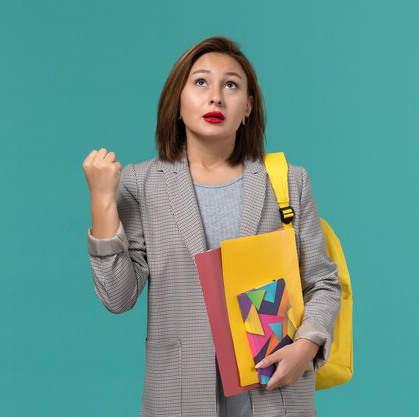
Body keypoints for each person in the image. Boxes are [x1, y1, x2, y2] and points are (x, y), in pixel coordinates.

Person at [82, 36, 341, 417]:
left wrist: (308, 344)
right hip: (179, 396)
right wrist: (102, 203)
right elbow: (118, 298)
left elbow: (322, 282)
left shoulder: (288, 181)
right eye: (200, 82)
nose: (215, 96)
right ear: (178, 100)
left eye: (231, 85)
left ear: (248, 107)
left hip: (274, 397)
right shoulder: (141, 184)